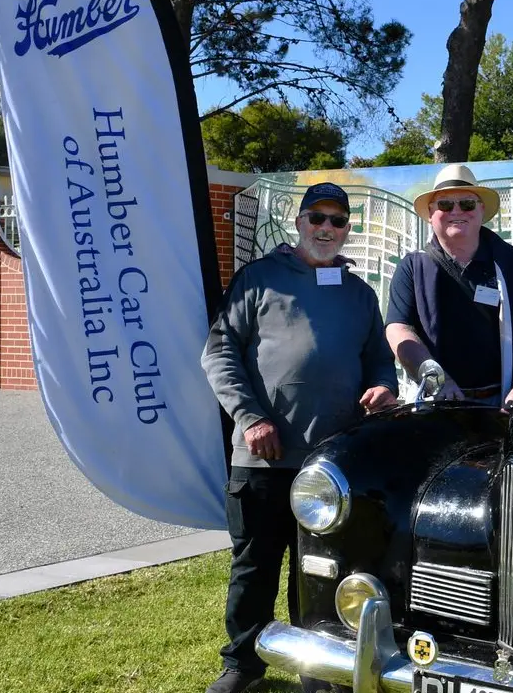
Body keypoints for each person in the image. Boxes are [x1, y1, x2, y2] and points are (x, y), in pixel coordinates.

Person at [200, 181, 398, 693]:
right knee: (255, 568)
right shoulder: (259, 279)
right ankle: (242, 667)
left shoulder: (360, 294)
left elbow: (378, 358)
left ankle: (319, 670)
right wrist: (251, 418)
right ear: (299, 222)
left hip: (332, 469)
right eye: (318, 218)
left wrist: (383, 384)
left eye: (337, 221)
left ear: (346, 228)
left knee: (322, 574)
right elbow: (219, 354)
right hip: (263, 455)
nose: (327, 229)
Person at [385, 163, 513, 410]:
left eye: (466, 204)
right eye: (445, 204)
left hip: (504, 405)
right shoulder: (412, 267)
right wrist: (434, 378)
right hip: (438, 403)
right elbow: (397, 329)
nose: (457, 211)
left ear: (481, 209)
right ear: (431, 213)